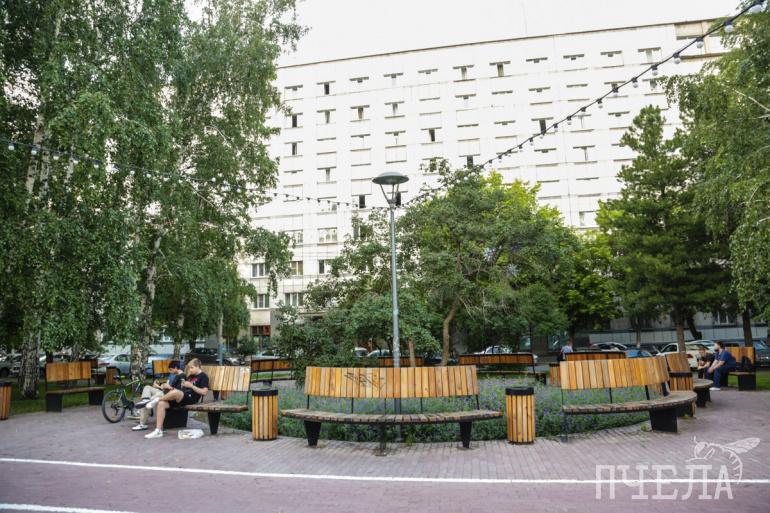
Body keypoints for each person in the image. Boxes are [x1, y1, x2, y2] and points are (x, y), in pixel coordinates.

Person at [143, 358, 209, 439]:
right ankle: (158, 431)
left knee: (175, 393)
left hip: (191, 398)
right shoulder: (191, 376)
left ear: (198, 366)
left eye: (192, 368)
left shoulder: (203, 376)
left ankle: (157, 399)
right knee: (162, 404)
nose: (190, 370)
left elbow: (204, 392)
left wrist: (191, 386)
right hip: (182, 396)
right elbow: (182, 388)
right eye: (189, 368)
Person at [132, 360, 184, 431]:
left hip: (167, 395)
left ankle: (142, 423)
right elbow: (167, 385)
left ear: (175, 368)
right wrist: (159, 386)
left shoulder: (182, 376)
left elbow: (179, 392)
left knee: (152, 399)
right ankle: (145, 400)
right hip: (163, 391)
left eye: (171, 370)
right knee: (147, 387)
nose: (170, 371)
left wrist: (168, 387)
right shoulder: (173, 375)